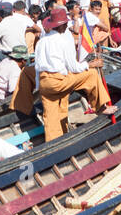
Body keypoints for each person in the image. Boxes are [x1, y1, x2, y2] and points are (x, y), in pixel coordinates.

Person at [34, 7, 115, 140]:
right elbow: (74, 67)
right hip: (58, 80)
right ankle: (100, 107)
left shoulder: (42, 41)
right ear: (63, 25)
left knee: (51, 114)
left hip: (44, 83)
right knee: (92, 74)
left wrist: (39, 87)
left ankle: (54, 143)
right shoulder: (63, 41)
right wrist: (90, 65)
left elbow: (37, 68)